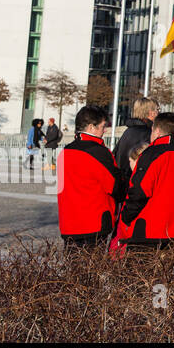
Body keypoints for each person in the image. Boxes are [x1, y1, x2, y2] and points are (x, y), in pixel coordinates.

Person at [118, 113, 174, 248]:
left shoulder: (150, 154)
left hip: (149, 232)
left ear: (157, 131)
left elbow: (139, 191)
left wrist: (125, 217)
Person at [57, 105, 120, 248]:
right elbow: (115, 187)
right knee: (92, 268)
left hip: (69, 223)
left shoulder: (65, 152)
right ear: (91, 127)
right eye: (103, 126)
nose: (105, 130)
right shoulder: (99, 152)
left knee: (73, 268)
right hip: (94, 223)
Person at [114, 97, 157, 171]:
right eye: (157, 110)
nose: (158, 113)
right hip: (135, 178)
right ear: (151, 113)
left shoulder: (128, 131)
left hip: (123, 177)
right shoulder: (148, 133)